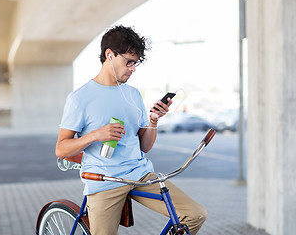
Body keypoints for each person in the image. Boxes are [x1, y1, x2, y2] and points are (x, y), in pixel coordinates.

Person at [55, 25, 207, 235]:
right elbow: (61, 149)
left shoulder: (133, 94)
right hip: (104, 179)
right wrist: (96, 135)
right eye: (129, 61)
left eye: (135, 63)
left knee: (195, 214)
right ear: (109, 55)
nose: (133, 68)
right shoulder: (80, 98)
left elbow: (144, 146)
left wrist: (153, 120)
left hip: (140, 174)